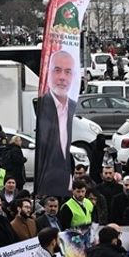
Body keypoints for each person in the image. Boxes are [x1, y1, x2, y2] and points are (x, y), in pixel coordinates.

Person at [35, 50, 77, 199]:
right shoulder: (40, 106)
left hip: (65, 185)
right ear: (48, 72)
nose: (62, 78)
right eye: (57, 70)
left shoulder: (73, 107)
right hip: (47, 185)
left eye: (68, 72)